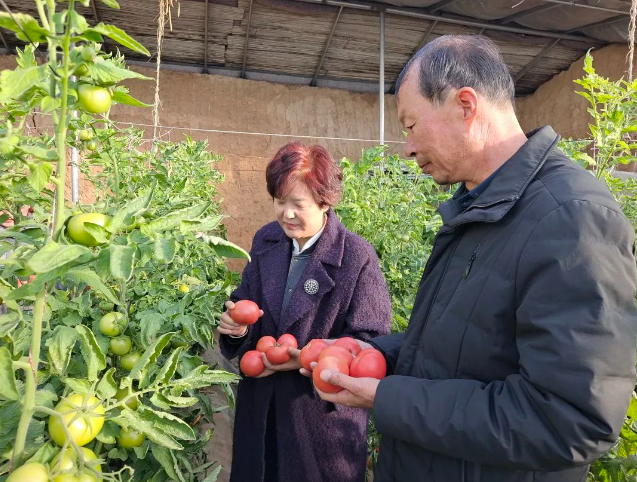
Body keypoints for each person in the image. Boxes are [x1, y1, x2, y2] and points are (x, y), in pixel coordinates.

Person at [311, 35, 637, 482]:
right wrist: (376, 351)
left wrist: (388, 399)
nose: (406, 148)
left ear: (465, 105)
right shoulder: (482, 207)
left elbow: (569, 420)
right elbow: (463, 348)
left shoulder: (572, 219)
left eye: (410, 126)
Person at [218, 142, 392, 482]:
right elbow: (246, 303)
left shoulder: (355, 257)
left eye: (298, 204)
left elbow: (371, 341)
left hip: (320, 423)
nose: (286, 214)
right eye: (279, 202)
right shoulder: (266, 241)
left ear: (325, 201)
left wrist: (311, 359)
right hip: (262, 411)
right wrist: (237, 329)